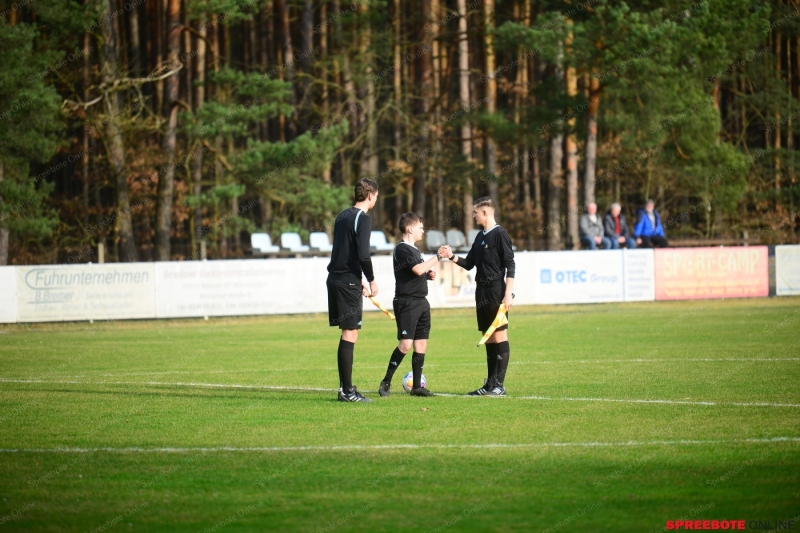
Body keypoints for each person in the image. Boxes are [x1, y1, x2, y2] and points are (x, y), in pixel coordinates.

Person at [438, 197, 515, 396]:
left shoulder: (500, 234)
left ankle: (500, 385)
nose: (473, 216)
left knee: (499, 336)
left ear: (485, 213)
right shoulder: (480, 237)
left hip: (496, 291)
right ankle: (490, 384)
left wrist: (507, 294)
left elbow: (510, 265)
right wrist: (451, 256)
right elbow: (470, 263)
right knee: (488, 338)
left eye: (475, 212)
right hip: (480, 292)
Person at [326, 178, 380, 402]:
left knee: (348, 333)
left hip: (337, 278)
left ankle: (345, 388)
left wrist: (358, 279)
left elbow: (344, 250)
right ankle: (347, 391)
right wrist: (372, 279)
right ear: (370, 196)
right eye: (376, 196)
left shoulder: (342, 215)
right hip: (347, 281)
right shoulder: (363, 218)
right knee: (350, 333)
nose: (376, 200)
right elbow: (363, 254)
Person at [378, 213, 440, 398]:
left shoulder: (414, 250)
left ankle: (417, 387)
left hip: (421, 301)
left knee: (421, 344)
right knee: (405, 345)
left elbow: (419, 271)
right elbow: (417, 269)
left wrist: (427, 274)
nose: (423, 230)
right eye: (421, 227)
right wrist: (438, 256)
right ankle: (386, 381)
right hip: (407, 302)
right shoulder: (402, 249)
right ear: (410, 229)